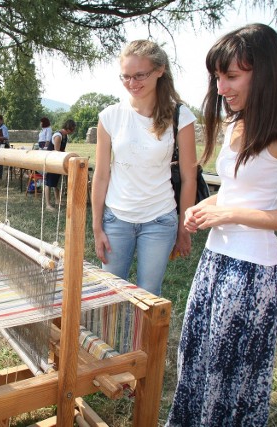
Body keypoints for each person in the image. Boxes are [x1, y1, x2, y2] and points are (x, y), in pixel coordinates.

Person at [166, 24, 277, 427]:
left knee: (230, 379)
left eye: (232, 76)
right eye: (218, 77)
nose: (221, 87)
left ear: (266, 71)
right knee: (196, 361)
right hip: (215, 261)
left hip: (252, 273)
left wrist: (231, 214)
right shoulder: (237, 122)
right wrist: (206, 207)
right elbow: (238, 193)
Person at [91, 39, 198, 297]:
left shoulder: (180, 116)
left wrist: (184, 228)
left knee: (148, 295)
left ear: (160, 70)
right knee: (108, 294)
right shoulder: (110, 116)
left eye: (140, 75)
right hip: (116, 218)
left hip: (160, 219)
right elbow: (102, 175)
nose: (132, 83)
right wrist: (96, 227)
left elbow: (189, 176)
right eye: (125, 77)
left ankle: (140, 341)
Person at [44, 119, 76, 211]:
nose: (73, 131)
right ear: (69, 128)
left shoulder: (65, 136)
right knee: (49, 183)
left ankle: (58, 200)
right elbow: (57, 151)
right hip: (51, 160)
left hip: (58, 160)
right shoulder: (58, 136)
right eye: (73, 129)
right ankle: (48, 205)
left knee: (56, 182)